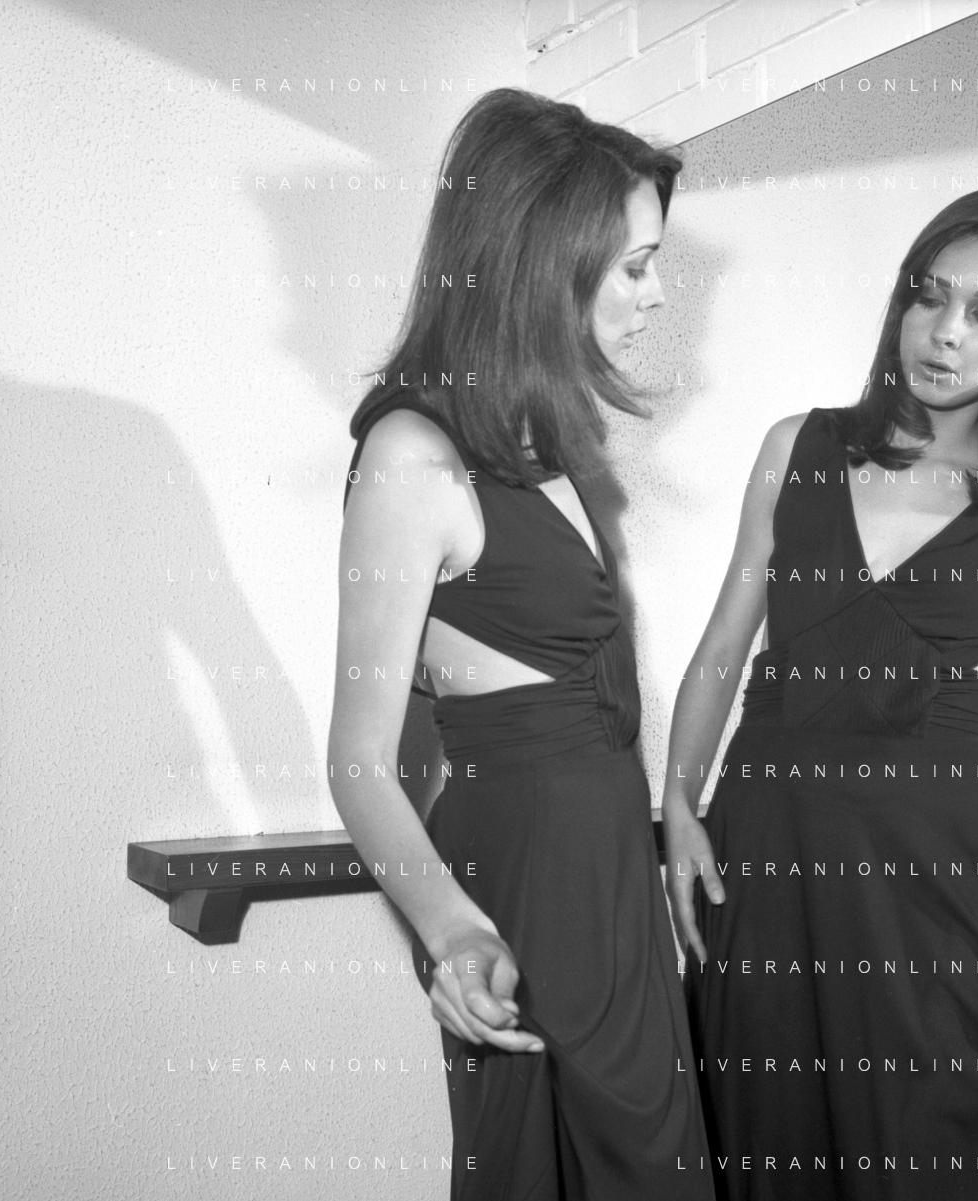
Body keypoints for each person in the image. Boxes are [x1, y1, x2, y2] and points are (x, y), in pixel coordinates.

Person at [661, 187, 978, 1200]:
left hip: (937, 887)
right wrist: (677, 805)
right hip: (769, 859)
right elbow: (723, 647)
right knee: (772, 1137)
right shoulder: (796, 446)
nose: (944, 331)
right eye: (928, 294)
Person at [327, 88, 714, 1201]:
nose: (654, 294)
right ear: (544, 260)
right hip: (528, 887)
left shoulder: (548, 439)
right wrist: (453, 932)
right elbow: (358, 759)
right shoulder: (412, 454)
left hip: (606, 873)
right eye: (634, 266)